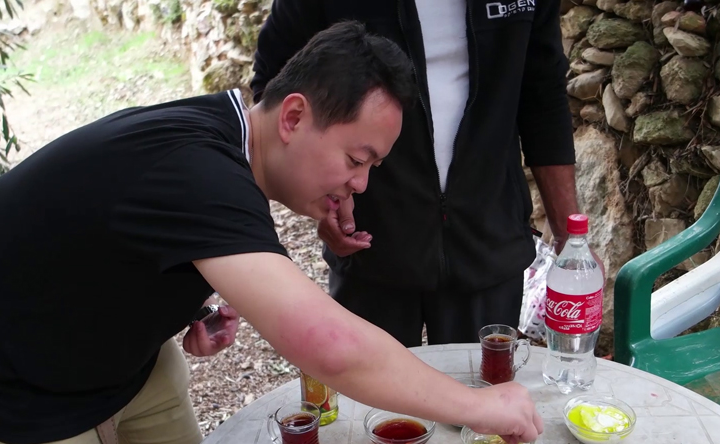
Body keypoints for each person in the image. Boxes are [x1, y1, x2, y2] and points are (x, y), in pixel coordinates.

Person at [0, 22, 544, 444]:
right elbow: (328, 344)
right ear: (295, 116)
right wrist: (481, 407)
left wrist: (183, 299)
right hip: (20, 368)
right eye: (357, 159)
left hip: (124, 346)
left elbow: (115, 226)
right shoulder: (202, 174)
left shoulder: (228, 134)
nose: (359, 184)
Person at [251, 0, 593, 348]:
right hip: (371, 241)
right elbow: (275, 89)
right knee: (370, 393)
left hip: (489, 237)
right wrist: (331, 195)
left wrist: (571, 237)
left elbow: (543, 93)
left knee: (483, 390)